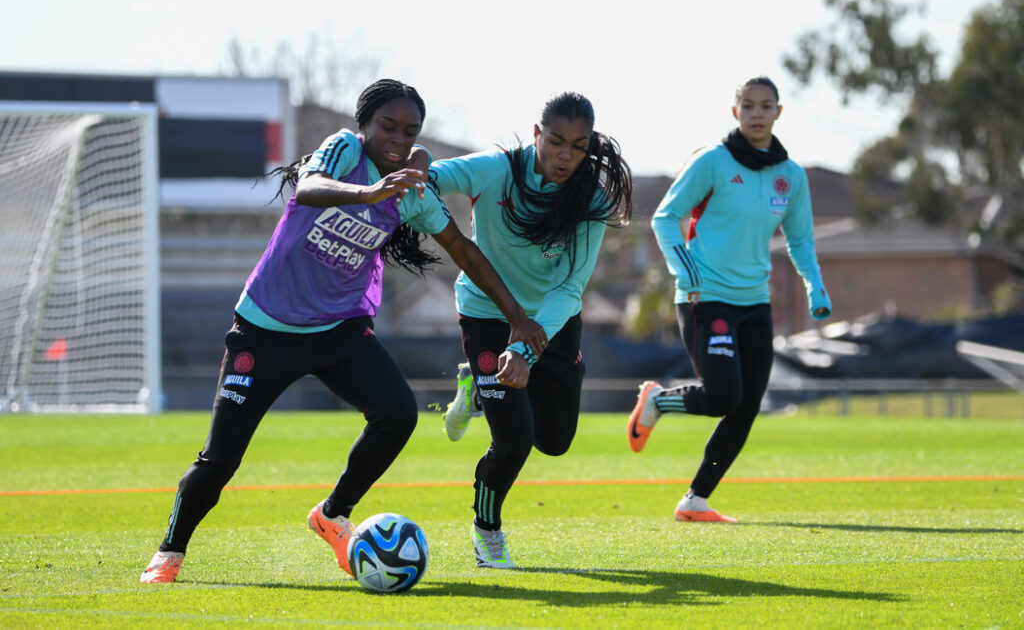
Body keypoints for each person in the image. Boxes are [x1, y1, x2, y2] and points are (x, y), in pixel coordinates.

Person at [140, 79, 544, 584]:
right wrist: (368, 191)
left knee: (397, 415)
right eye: (387, 127)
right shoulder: (343, 149)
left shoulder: (412, 191)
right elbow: (307, 190)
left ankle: (332, 514)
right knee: (221, 459)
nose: (398, 139)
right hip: (266, 328)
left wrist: (516, 316)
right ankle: (169, 553)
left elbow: (462, 250)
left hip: (340, 329)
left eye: (410, 131)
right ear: (365, 126)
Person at [428, 91, 633, 568]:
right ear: (536, 134)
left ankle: (478, 389)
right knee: (514, 440)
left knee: (554, 440)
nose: (566, 155)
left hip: (551, 319)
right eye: (556, 142)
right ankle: (486, 531)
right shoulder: (495, 170)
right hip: (484, 312)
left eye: (578, 146)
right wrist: (418, 163)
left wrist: (526, 348)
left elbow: (570, 286)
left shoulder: (590, 200)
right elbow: (435, 175)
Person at [627, 76, 831, 523]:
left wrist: (814, 284)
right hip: (707, 297)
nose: (757, 113)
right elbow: (665, 217)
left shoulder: (791, 176)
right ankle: (658, 401)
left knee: (748, 405)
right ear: (734, 111)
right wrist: (686, 269)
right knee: (723, 396)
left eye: (766, 106)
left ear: (779, 112)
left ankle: (694, 500)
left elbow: (800, 240)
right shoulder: (713, 163)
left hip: (755, 303)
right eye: (749, 105)